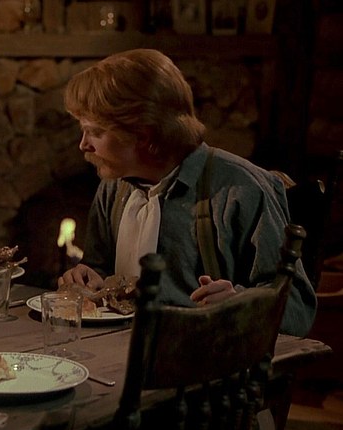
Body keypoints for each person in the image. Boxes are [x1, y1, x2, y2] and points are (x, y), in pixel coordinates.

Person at [58, 49, 316, 337]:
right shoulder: (114, 188)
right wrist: (88, 279)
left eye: (95, 132)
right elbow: (100, 270)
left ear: (143, 135)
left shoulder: (239, 191)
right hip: (120, 348)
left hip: (203, 355)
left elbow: (298, 308)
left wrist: (237, 303)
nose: (83, 144)